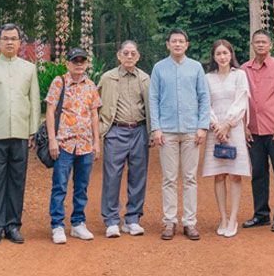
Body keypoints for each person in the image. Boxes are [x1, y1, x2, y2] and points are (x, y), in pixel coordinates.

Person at [0, 23, 41, 246]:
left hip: (21, 134)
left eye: (14, 38)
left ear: (20, 43)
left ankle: (13, 225)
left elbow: (34, 102)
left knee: (17, 181)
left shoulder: (29, 68)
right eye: (5, 38)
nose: (10, 42)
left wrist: (32, 131)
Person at [149, 28, 210, 241]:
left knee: (190, 177)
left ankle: (190, 222)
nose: (177, 44)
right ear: (167, 44)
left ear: (187, 44)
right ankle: (169, 221)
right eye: (174, 41)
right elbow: (153, 99)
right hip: (166, 132)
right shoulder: (158, 68)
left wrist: (203, 127)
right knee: (169, 178)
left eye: (181, 41)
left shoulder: (196, 68)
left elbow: (204, 98)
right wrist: (155, 128)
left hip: (192, 131)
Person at [241, 29, 274, 232]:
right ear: (253, 45)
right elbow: (241, 99)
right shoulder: (243, 69)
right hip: (253, 130)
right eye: (257, 42)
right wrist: (244, 126)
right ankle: (261, 214)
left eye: (264, 42)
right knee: (258, 173)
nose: (261, 45)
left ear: (270, 45)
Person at [46, 47, 102, 244]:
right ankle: (57, 225)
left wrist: (97, 141)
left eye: (82, 61)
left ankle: (78, 223)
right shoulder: (59, 82)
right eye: (75, 60)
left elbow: (94, 114)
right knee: (60, 185)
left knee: (82, 186)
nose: (79, 64)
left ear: (86, 63)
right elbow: (50, 111)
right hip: (64, 143)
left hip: (85, 144)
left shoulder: (91, 85)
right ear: (68, 63)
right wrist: (52, 139)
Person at [97, 40, 150, 238]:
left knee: (138, 176)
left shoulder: (145, 78)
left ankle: (132, 219)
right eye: (125, 53)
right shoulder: (107, 78)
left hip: (139, 130)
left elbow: (150, 105)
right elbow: (96, 103)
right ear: (119, 56)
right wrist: (101, 128)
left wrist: (151, 132)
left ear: (138, 56)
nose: (129, 56)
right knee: (112, 176)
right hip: (115, 130)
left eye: (133, 53)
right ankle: (111, 220)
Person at [201, 39, 250, 237]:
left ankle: (233, 219)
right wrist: (216, 126)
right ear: (213, 57)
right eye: (218, 54)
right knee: (219, 174)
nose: (222, 57)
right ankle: (222, 217)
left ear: (231, 54)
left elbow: (241, 101)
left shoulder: (240, 75)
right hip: (215, 130)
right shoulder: (207, 78)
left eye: (225, 53)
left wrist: (227, 124)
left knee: (234, 174)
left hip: (234, 128)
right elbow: (205, 103)